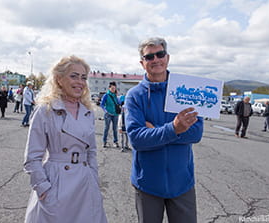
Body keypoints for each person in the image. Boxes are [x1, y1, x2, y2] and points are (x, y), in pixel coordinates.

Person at [125, 37, 203, 223]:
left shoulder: (186, 92)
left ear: (167, 58)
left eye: (160, 54)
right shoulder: (134, 96)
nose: (155, 60)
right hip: (147, 185)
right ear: (142, 63)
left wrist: (158, 131)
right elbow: (137, 139)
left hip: (182, 184)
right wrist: (175, 128)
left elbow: (195, 133)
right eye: (149, 56)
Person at [23, 55, 107, 223]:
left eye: (83, 77)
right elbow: (32, 157)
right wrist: (42, 187)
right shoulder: (45, 110)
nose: (80, 82)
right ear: (59, 79)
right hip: (56, 183)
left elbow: (91, 152)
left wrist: (93, 180)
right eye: (74, 76)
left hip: (85, 185)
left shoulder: (87, 112)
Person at [100, 81, 120, 148]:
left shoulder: (115, 96)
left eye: (114, 88)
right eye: (112, 88)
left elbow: (118, 103)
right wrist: (105, 111)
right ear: (109, 88)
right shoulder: (106, 95)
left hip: (115, 114)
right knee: (106, 128)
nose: (113, 89)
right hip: (108, 114)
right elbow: (102, 104)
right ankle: (104, 142)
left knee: (115, 129)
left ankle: (116, 141)